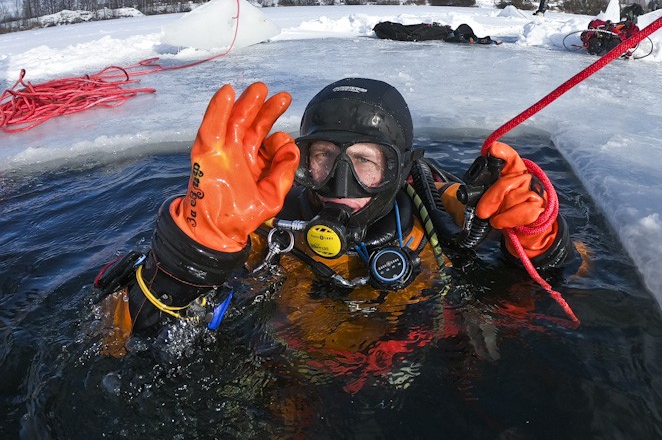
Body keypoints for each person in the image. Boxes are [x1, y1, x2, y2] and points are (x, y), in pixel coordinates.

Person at [96, 78, 573, 349]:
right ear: (302, 160)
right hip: (294, 376)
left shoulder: (443, 219)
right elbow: (116, 342)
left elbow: (563, 287)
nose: (340, 182)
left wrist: (538, 239)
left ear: (401, 167)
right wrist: (192, 251)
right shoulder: (263, 224)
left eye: (366, 161)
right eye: (323, 157)